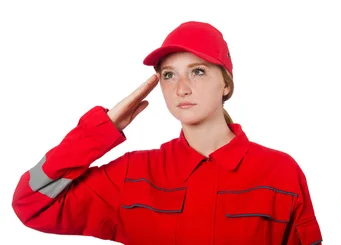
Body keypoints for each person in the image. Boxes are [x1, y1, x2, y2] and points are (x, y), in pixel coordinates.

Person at [12, 21, 323, 245]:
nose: (181, 88)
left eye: (198, 71)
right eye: (168, 75)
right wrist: (99, 131)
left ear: (226, 84)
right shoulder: (132, 175)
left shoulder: (279, 172)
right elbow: (33, 204)